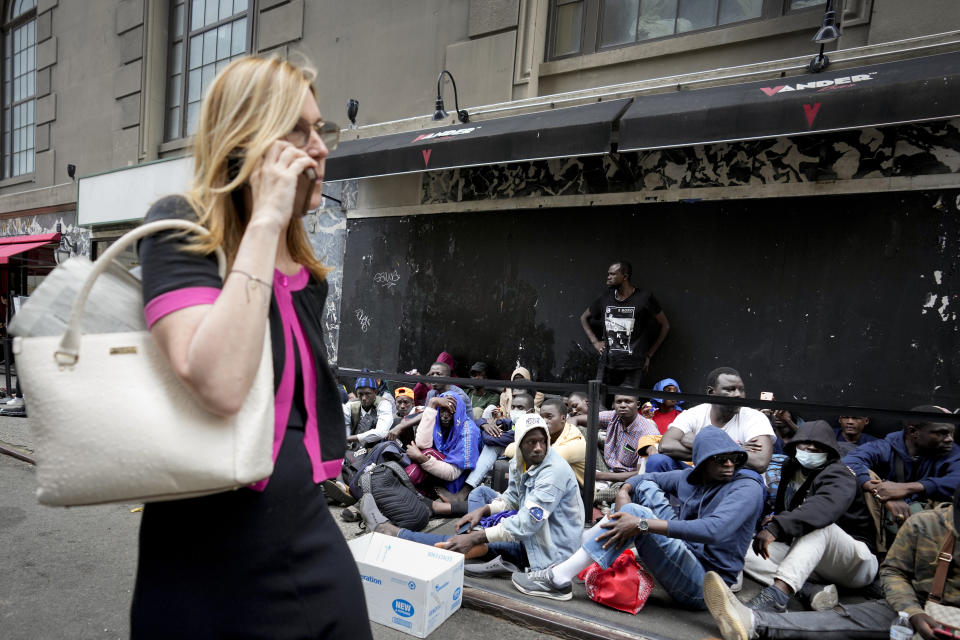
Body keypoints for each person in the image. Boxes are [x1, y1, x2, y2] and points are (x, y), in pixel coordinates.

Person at [131, 56, 370, 639]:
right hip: (207, 552)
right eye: (300, 131)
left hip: (307, 531)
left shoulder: (310, 273)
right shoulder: (179, 229)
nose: (320, 148)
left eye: (322, 131)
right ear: (247, 140)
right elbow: (217, 383)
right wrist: (263, 221)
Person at [512, 427, 764, 605]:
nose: (729, 464)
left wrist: (641, 524)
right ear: (702, 463)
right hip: (686, 551)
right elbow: (645, 478)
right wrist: (623, 491)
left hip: (708, 585)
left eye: (733, 458)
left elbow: (714, 530)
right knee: (640, 493)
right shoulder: (691, 478)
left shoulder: (746, 487)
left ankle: (558, 578)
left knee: (636, 515)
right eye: (720, 459)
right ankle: (578, 554)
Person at [703, 485, 960, 640]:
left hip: (857, 561)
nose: (807, 450)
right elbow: (894, 571)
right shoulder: (926, 524)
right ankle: (755, 621)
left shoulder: (839, 478)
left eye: (814, 446)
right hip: (917, 608)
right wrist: (913, 612)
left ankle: (780, 596)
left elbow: (820, 513)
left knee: (820, 530)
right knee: (844, 620)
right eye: (803, 446)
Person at [361, 414, 584, 577]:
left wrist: (479, 536)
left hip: (548, 553)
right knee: (477, 508)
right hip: (532, 537)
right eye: (531, 442)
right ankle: (473, 543)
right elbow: (513, 499)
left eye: (542, 441)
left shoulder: (552, 471)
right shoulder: (519, 461)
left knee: (460, 542)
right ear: (520, 445)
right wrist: (484, 510)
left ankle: (395, 534)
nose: (538, 448)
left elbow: (528, 523)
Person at [742, 420, 878, 613]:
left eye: (819, 445)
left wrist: (778, 526)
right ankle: (808, 589)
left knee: (819, 526)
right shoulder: (791, 466)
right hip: (812, 557)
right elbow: (789, 509)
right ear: (795, 444)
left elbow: (823, 509)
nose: (811, 447)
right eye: (805, 442)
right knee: (743, 550)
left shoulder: (839, 474)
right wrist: (776, 520)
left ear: (830, 450)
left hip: (854, 562)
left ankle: (777, 598)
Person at [844, 405, 960, 527]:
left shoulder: (951, 452)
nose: (950, 439)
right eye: (942, 433)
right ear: (913, 432)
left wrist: (908, 488)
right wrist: (882, 493)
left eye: (952, 433)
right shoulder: (885, 447)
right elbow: (849, 462)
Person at [648, 367, 774, 474]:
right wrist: (738, 450)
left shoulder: (755, 418)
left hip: (735, 480)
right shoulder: (693, 414)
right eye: (730, 389)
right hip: (699, 476)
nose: (738, 395)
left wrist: (700, 443)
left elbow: (760, 462)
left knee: (751, 477)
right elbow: (666, 446)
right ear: (711, 392)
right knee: (658, 461)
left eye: (741, 389)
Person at [580, 260, 669, 387]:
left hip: (633, 364)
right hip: (607, 364)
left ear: (625, 277)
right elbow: (584, 318)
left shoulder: (644, 298)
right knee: (599, 402)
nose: (608, 277)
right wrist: (595, 342)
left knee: (626, 402)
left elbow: (665, 325)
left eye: (612, 274)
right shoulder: (605, 298)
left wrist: (649, 354)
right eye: (608, 274)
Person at [406, 392, 481, 498]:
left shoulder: (468, 431)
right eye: (442, 410)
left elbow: (453, 473)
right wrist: (432, 404)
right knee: (424, 452)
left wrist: (420, 458)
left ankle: (402, 482)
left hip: (456, 482)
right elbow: (422, 443)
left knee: (426, 453)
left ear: (458, 412)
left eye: (450, 411)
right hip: (437, 472)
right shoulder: (438, 422)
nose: (445, 416)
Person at [506, 397, 587, 486]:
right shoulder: (548, 433)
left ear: (563, 418)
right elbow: (509, 449)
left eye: (549, 417)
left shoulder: (574, 442)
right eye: (541, 417)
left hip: (578, 491)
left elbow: (546, 461)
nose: (544, 421)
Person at [342, 374, 393, 446]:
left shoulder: (384, 404)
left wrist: (350, 438)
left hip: (376, 449)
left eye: (367, 393)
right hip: (354, 450)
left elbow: (381, 432)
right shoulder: (350, 406)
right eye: (360, 394)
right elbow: (345, 431)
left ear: (375, 392)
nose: (364, 398)